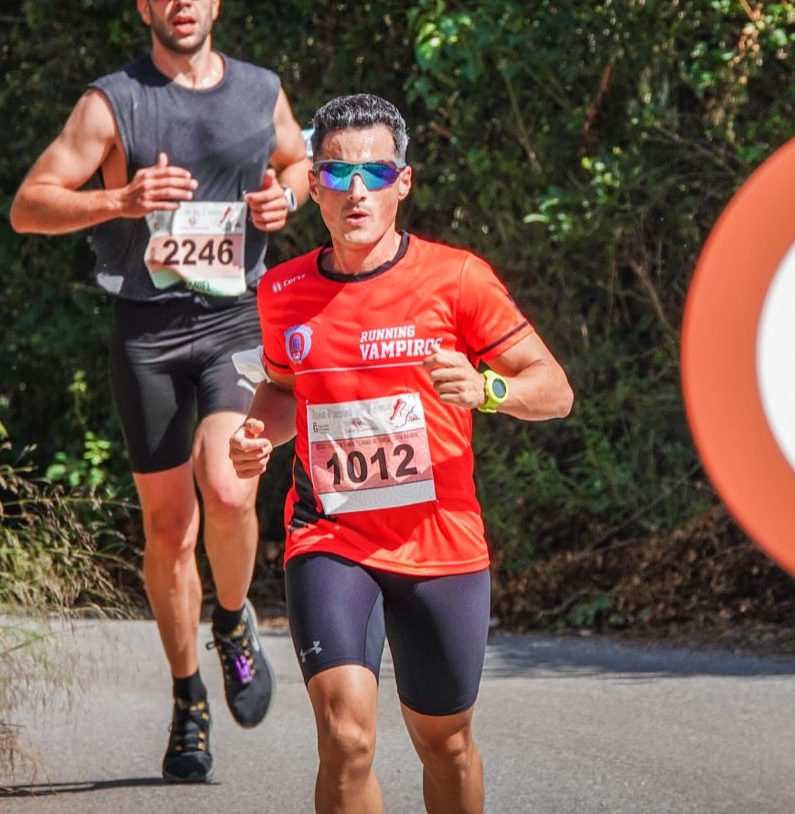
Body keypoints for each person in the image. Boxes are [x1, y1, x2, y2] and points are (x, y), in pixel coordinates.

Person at [10, 0, 309, 784]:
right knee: (169, 528)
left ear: (217, 1)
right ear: (145, 6)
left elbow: (300, 159)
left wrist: (282, 199)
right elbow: (29, 206)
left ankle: (232, 618)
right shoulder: (112, 102)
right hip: (145, 331)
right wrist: (121, 198)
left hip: (233, 322)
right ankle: (188, 698)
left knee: (229, 486)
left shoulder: (260, 91)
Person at [228, 93, 574, 813]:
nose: (358, 192)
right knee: (346, 740)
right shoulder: (283, 291)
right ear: (314, 184)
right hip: (329, 535)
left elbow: (554, 391)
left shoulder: (457, 279)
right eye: (339, 174)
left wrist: (485, 388)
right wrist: (256, 432)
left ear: (403, 183)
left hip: (440, 543)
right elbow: (285, 393)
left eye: (376, 174)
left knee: (445, 745)